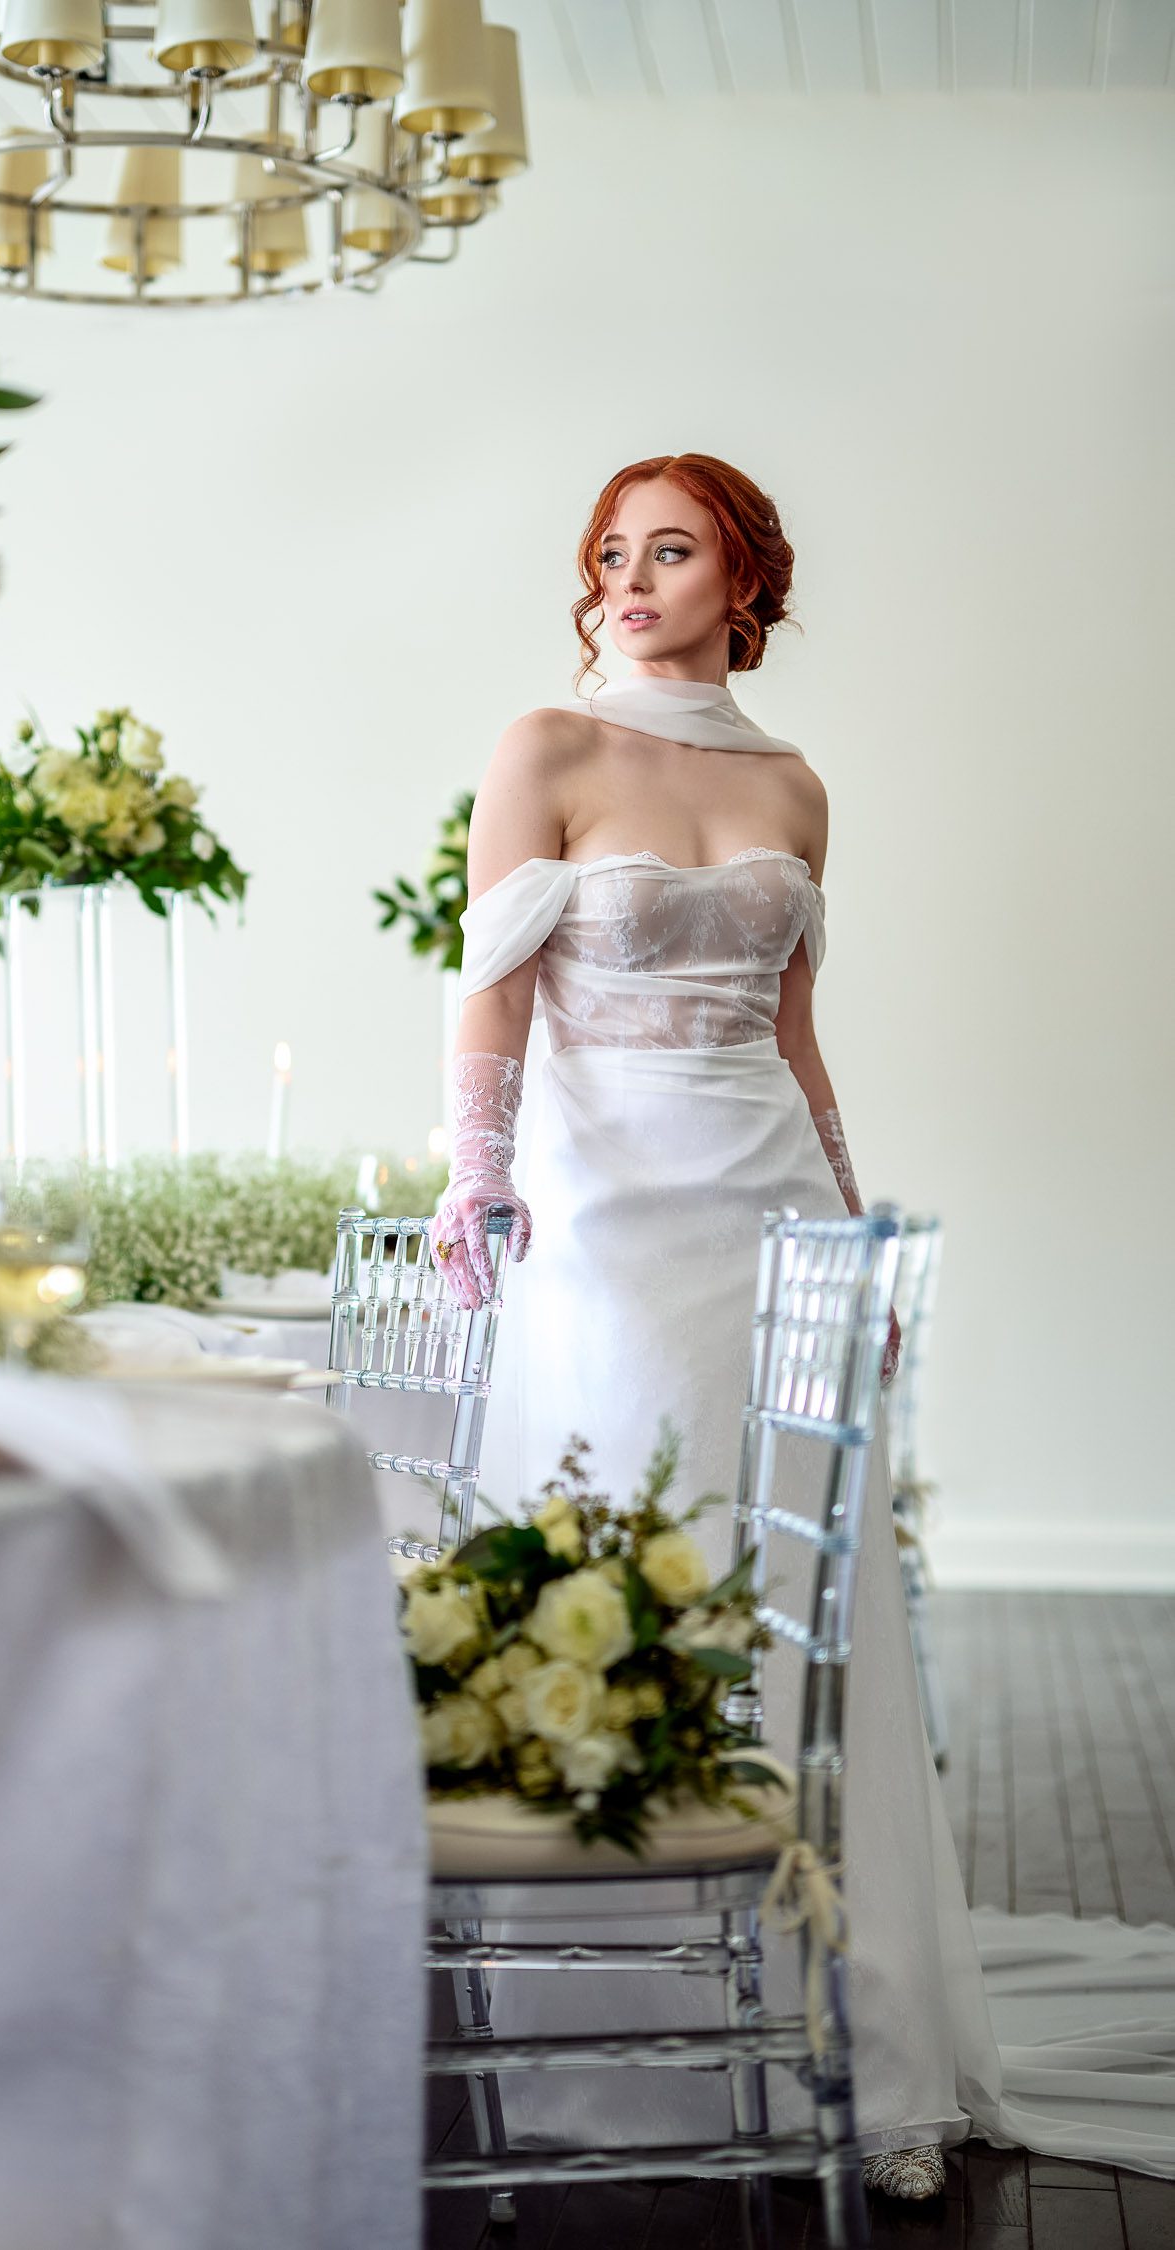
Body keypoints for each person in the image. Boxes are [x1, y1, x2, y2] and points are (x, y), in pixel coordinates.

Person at [424, 453, 1175, 2198]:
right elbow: (491, 985)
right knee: (628, 1552)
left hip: (768, 1202)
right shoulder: (544, 746)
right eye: (608, 551)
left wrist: (851, 1231)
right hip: (605, 1217)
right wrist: (475, 1173)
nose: (627, 576)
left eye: (669, 549)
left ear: (743, 577)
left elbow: (798, 1030)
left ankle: (858, 2043)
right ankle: (604, 2057)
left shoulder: (799, 785)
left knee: (800, 1587)